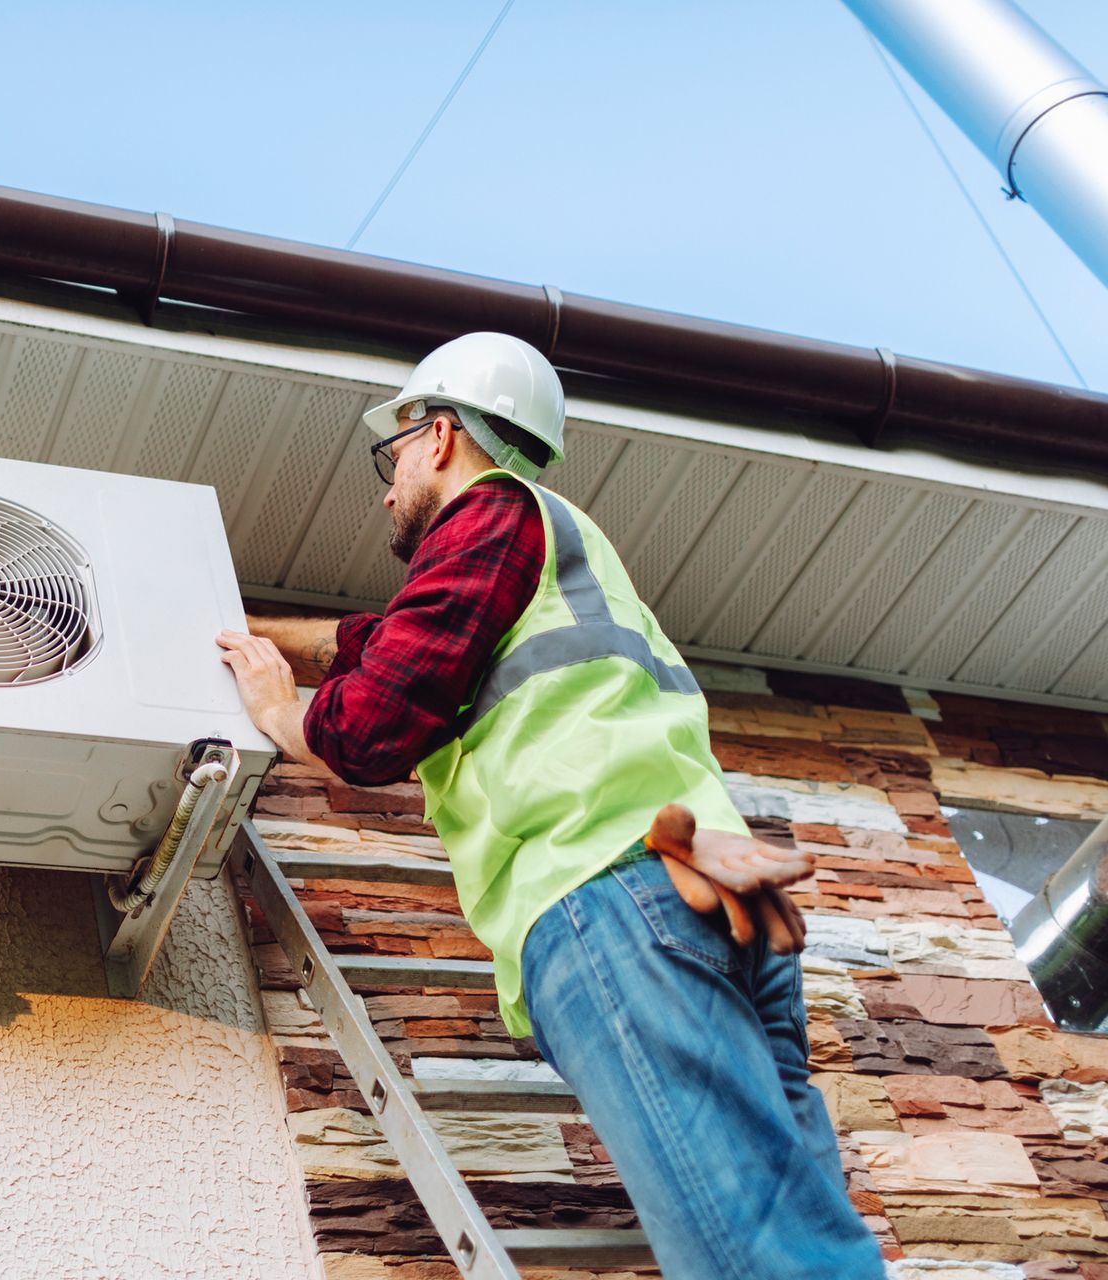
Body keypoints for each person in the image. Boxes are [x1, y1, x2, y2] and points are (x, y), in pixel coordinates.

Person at [215, 333, 885, 1280]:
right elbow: (381, 639)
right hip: (722, 890)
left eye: (394, 452)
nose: (386, 483)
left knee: (748, 1259)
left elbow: (369, 730)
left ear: (441, 436)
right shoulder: (555, 546)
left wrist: (283, 714)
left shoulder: (488, 520)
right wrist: (243, 628)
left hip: (610, 891)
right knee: (798, 1232)